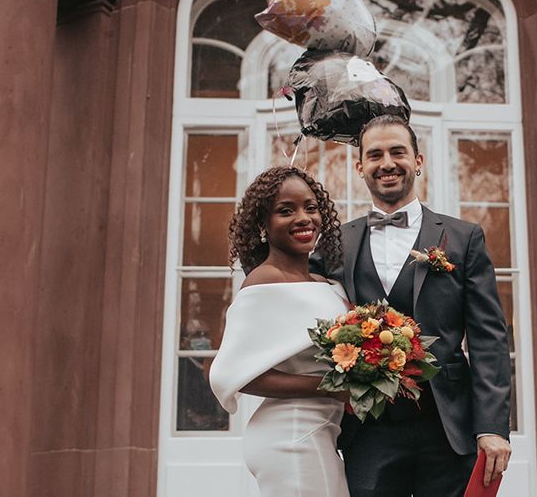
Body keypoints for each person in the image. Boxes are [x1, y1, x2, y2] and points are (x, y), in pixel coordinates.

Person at [313, 115, 513, 497]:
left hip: (448, 426)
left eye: (397, 152)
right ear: (360, 167)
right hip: (369, 431)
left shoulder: (463, 237)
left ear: (418, 161)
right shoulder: (336, 242)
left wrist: (492, 426)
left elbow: (488, 338)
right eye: (374, 155)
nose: (386, 163)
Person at [210, 166, 351, 497]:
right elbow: (231, 375)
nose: (303, 218)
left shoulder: (323, 283)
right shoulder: (264, 280)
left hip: (319, 431)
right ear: (263, 225)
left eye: (311, 207)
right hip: (291, 434)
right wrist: (332, 388)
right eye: (286, 210)